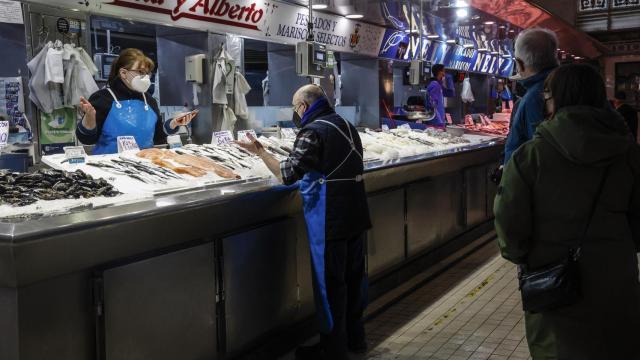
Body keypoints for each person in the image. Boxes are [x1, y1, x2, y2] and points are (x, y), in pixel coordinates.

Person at [494, 64, 640, 360]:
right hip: (616, 280)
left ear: (554, 100)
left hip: (554, 284)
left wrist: (524, 257)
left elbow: (510, 228)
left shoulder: (530, 156)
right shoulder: (630, 155)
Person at [236, 84, 371, 360]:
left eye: (295, 107)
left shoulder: (313, 131)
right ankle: (356, 339)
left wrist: (260, 152)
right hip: (356, 214)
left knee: (330, 284)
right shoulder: (346, 124)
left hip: (329, 219)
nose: (295, 113)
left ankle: (332, 350)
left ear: (303, 107)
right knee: (355, 280)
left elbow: (288, 173)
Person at [76, 48, 195, 154]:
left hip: (143, 165)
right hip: (109, 167)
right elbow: (87, 139)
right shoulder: (103, 98)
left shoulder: (149, 100)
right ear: (123, 73)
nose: (146, 77)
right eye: (141, 72)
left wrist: (173, 123)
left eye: (148, 73)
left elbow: (159, 137)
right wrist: (89, 119)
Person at [503, 28, 559, 165]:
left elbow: (538, 154)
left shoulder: (535, 98)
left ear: (520, 64)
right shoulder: (567, 86)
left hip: (534, 182)